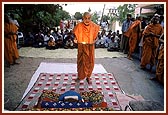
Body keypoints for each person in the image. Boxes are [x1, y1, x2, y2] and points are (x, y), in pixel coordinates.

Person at [73, 12, 100, 84]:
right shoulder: (79, 26)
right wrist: (75, 39)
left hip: (90, 47)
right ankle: (80, 76)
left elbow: (97, 37)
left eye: (89, 18)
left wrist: (94, 41)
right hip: (81, 46)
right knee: (81, 62)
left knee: (90, 62)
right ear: (83, 18)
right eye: (85, 18)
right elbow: (75, 35)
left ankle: (88, 76)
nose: (87, 20)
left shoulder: (94, 26)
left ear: (91, 18)